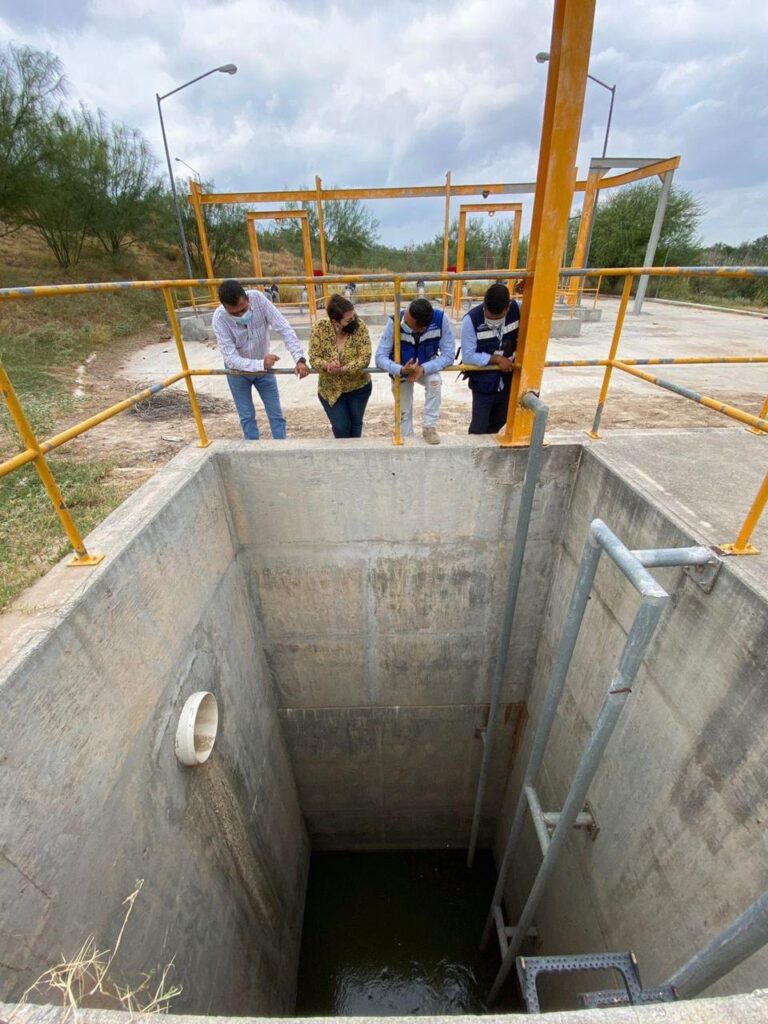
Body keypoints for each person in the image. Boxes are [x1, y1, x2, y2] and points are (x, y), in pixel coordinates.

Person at [212, 279, 309, 440]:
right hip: (238, 373)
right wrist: (260, 364)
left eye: (243, 309)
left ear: (247, 299)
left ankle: (281, 449)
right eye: (234, 313)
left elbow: (284, 327)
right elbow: (231, 358)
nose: (241, 315)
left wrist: (299, 358)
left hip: (264, 371)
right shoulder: (219, 318)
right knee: (247, 417)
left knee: (276, 415)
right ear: (225, 307)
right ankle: (253, 450)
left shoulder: (258, 299)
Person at [375, 297, 454, 445]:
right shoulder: (395, 321)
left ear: (421, 328)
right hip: (402, 370)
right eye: (405, 316)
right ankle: (407, 437)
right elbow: (380, 357)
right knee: (404, 408)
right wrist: (400, 369)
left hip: (426, 367)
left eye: (408, 322)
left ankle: (429, 427)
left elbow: (449, 355)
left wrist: (424, 369)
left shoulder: (441, 320)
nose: (403, 320)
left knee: (435, 381)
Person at [308, 294, 373, 438]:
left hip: (358, 387)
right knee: (341, 428)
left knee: (356, 426)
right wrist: (326, 365)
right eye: (348, 320)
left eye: (354, 316)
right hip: (330, 391)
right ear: (335, 321)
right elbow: (313, 357)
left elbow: (365, 357)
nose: (354, 321)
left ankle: (352, 458)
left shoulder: (360, 327)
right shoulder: (320, 328)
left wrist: (344, 369)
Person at [460, 283, 520, 434]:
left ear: (508, 307)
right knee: (479, 427)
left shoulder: (518, 310)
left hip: (507, 379)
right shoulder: (471, 320)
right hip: (483, 381)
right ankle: (475, 453)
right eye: (489, 316)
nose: (493, 321)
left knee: (500, 419)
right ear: (484, 304)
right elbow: (468, 356)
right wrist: (497, 360)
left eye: (498, 317)